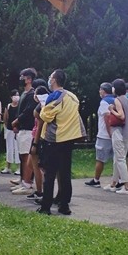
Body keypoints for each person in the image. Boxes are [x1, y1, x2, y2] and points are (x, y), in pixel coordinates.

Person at [37, 69, 83, 215]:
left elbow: (46, 116)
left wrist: (42, 105)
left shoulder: (55, 96)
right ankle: (64, 205)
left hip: (54, 139)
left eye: (50, 77)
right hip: (68, 139)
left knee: (50, 174)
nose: (49, 79)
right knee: (65, 174)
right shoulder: (73, 97)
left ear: (55, 80)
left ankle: (46, 207)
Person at [10, 68, 37, 194]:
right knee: (22, 156)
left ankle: (27, 184)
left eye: (23, 77)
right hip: (22, 129)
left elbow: (27, 112)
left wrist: (17, 121)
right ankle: (23, 180)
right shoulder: (24, 94)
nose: (21, 79)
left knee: (26, 157)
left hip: (28, 130)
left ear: (29, 79)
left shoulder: (32, 94)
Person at [85, 82, 116, 188]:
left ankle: (96, 179)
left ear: (104, 91)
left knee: (100, 159)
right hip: (116, 133)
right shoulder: (116, 100)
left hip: (104, 135)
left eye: (100, 89)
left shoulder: (104, 102)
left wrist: (109, 132)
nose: (99, 91)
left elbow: (107, 117)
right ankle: (117, 180)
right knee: (116, 159)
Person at [108, 80, 128, 195]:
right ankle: (114, 183)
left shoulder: (117, 100)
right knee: (118, 158)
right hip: (127, 132)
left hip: (118, 131)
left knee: (120, 159)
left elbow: (121, 116)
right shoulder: (127, 100)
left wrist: (111, 110)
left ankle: (126, 186)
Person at [1, 92, 19, 173]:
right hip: (9, 129)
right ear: (11, 97)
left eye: (18, 95)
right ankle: (8, 167)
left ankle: (19, 168)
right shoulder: (8, 106)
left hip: (18, 130)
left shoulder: (20, 106)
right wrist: (6, 126)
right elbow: (5, 117)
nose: (16, 97)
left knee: (17, 148)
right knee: (9, 148)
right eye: (15, 95)